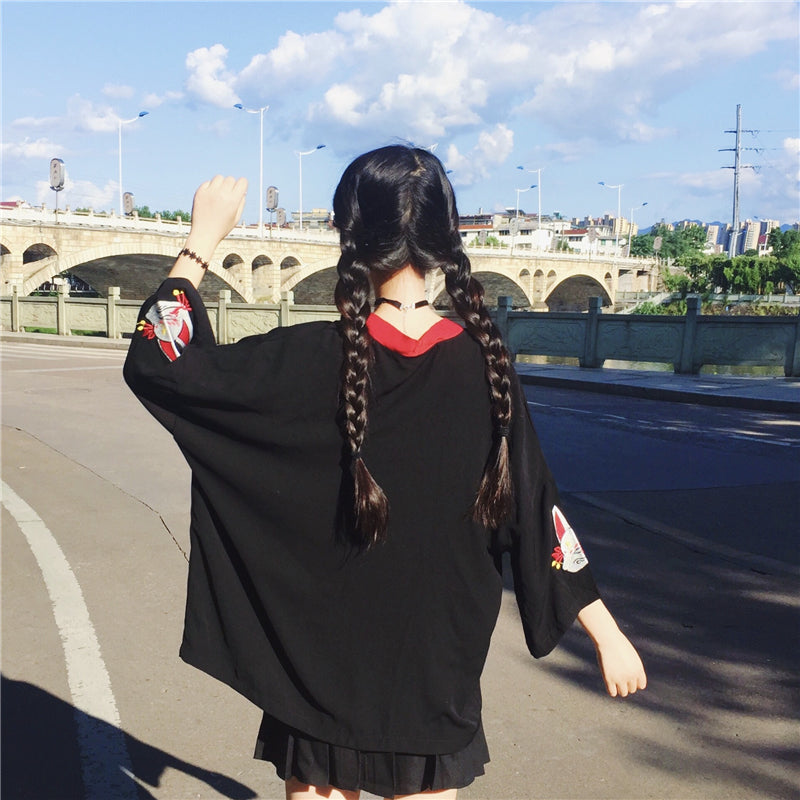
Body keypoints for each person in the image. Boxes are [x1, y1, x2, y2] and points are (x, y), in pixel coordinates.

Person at [124, 146, 646, 800]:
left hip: (319, 668)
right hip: (433, 676)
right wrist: (605, 630)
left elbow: (162, 360)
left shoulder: (308, 358)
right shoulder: (485, 367)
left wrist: (200, 243)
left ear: (349, 234)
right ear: (446, 238)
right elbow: (536, 509)